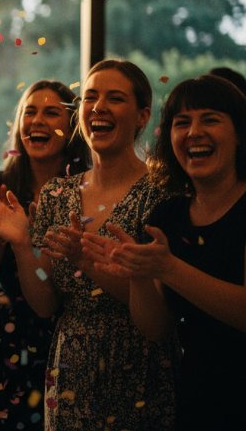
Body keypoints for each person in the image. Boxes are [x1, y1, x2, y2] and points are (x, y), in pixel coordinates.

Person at [0, 60, 177, 430]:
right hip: (70, 367)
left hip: (138, 365)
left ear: (141, 115)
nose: (98, 107)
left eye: (114, 98)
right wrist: (23, 245)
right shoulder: (59, 192)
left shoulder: (163, 194)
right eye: (90, 98)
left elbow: (158, 319)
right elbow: (45, 303)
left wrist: (87, 261)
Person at [83, 74, 246, 430]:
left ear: (240, 134)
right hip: (197, 397)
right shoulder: (169, 215)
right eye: (181, 122)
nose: (193, 133)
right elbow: (156, 328)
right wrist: (139, 275)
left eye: (211, 119)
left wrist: (168, 268)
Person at [0, 81, 88, 430]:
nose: (37, 121)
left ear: (72, 128)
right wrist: (2, 236)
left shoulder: (86, 189)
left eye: (51, 113)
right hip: (4, 336)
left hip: (67, 333)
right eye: (29, 112)